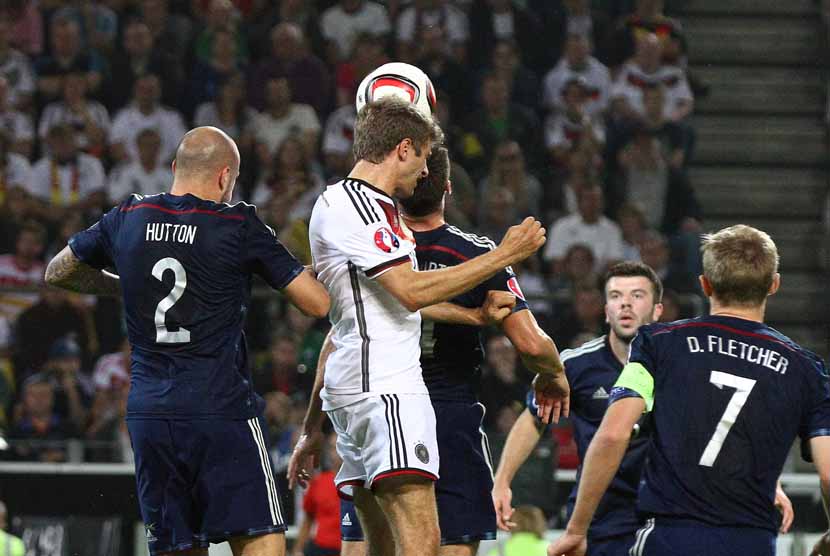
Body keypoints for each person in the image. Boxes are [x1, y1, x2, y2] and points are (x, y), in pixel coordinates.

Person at [44, 126, 331, 556]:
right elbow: (315, 305)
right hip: (220, 410)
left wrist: (126, 286)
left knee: (177, 545)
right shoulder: (237, 222)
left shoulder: (128, 215)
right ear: (224, 177)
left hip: (150, 415)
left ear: (175, 167)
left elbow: (58, 271)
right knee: (260, 540)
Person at [295, 98, 550, 556]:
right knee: (423, 544)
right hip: (386, 391)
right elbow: (410, 290)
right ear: (405, 149)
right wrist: (506, 253)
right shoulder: (358, 208)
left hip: (356, 387)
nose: (426, 174)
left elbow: (392, 301)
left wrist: (470, 317)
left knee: (382, 549)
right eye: (426, 158)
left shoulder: (353, 205)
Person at [549, 225, 830, 556]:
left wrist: (577, 529)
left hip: (670, 537)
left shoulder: (658, 343)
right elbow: (827, 474)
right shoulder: (806, 369)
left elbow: (613, 434)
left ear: (705, 284)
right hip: (752, 541)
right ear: (774, 285)